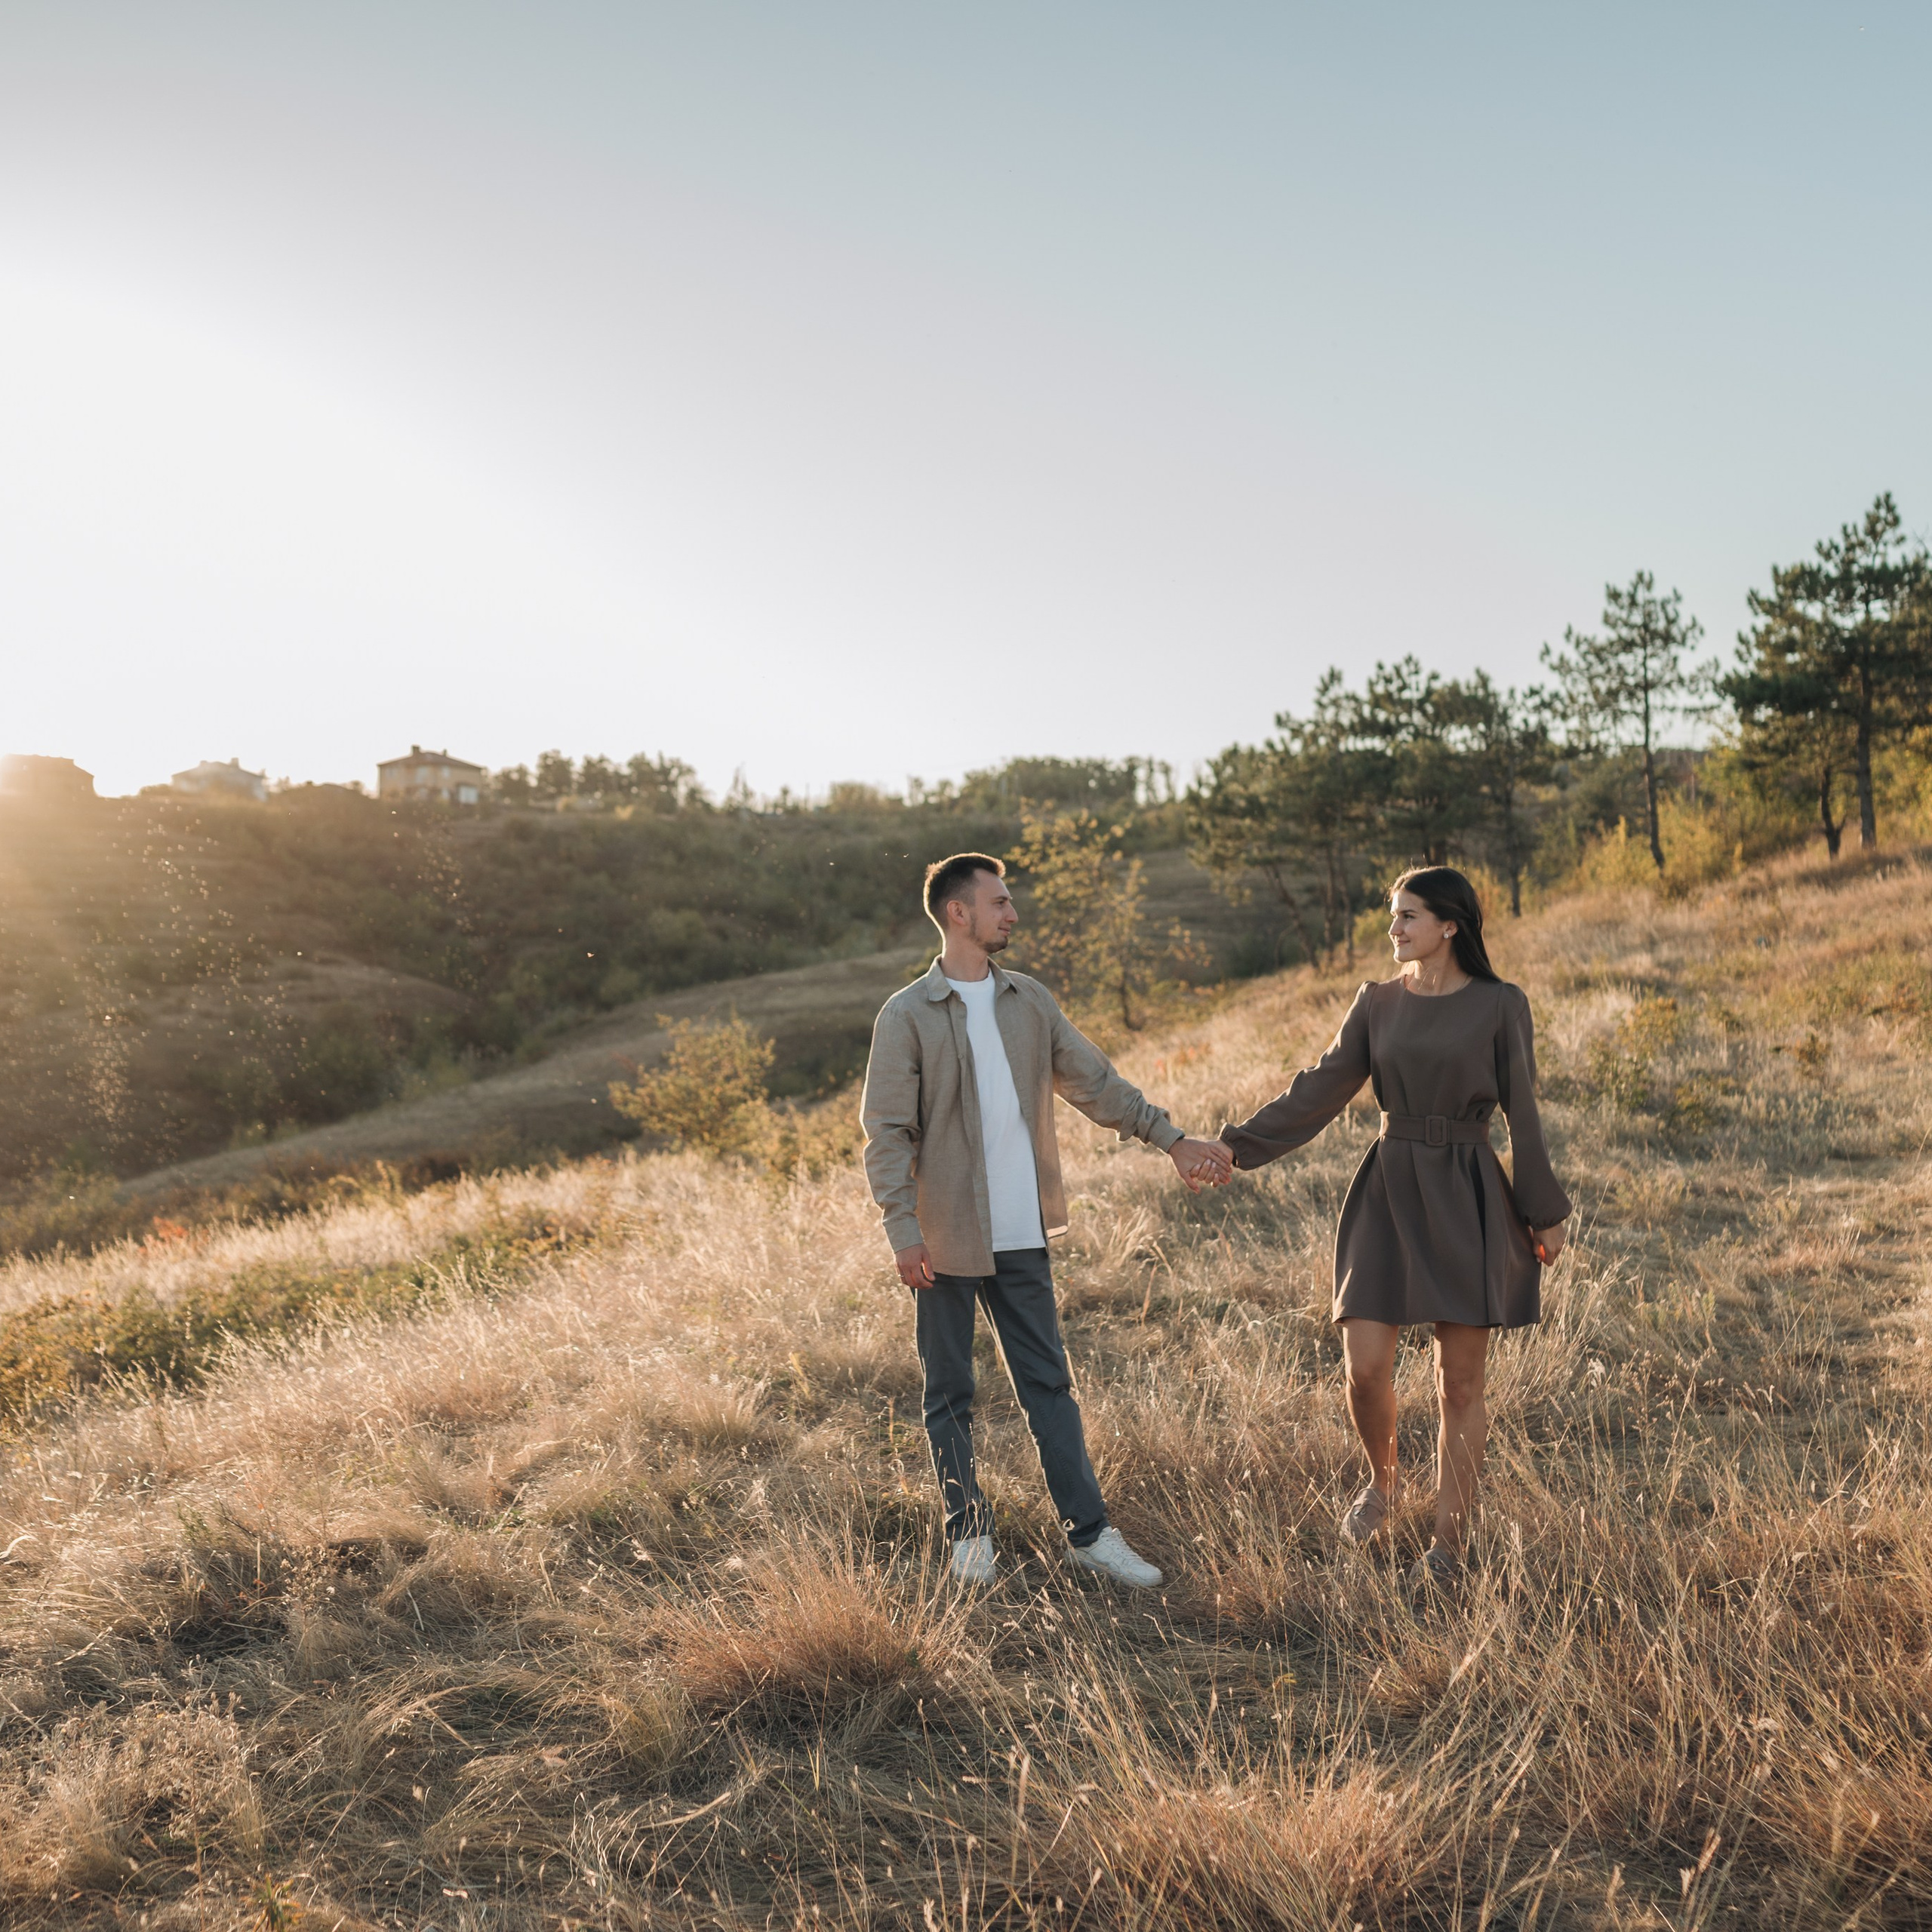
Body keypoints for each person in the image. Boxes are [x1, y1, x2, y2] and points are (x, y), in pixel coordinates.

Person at [861, 851, 1232, 1587]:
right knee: (949, 1393)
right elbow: (886, 1135)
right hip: (942, 1237)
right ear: (959, 913)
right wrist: (902, 1231)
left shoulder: (1028, 1001)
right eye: (999, 902)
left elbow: (1094, 1083)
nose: (1012, 913)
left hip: (1021, 1231)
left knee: (1048, 1386)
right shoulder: (906, 1014)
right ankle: (968, 1536)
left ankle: (1089, 1533)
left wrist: (1171, 1138)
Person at [1217, 866, 1570, 1591]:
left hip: (1469, 1190)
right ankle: (1383, 1481)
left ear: (1450, 926)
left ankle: (1448, 1550)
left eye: (1409, 916)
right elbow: (1318, 1089)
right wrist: (1234, 1148)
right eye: (1393, 915)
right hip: (1390, 1187)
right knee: (1365, 1367)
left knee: (1460, 1386)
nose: (1395, 928)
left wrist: (1543, 1210)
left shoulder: (1501, 1005)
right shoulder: (1375, 1003)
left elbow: (1523, 1114)